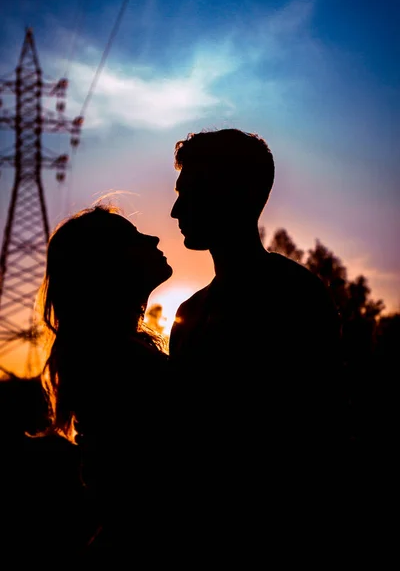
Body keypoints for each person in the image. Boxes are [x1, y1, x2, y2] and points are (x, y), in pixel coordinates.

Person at [169, 128, 347, 557]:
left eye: (192, 191)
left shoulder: (294, 296)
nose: (175, 210)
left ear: (241, 194)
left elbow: (317, 435)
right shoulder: (189, 314)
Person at [21, 203, 174, 561]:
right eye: (134, 238)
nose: (152, 236)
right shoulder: (119, 360)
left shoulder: (108, 351)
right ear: (106, 265)